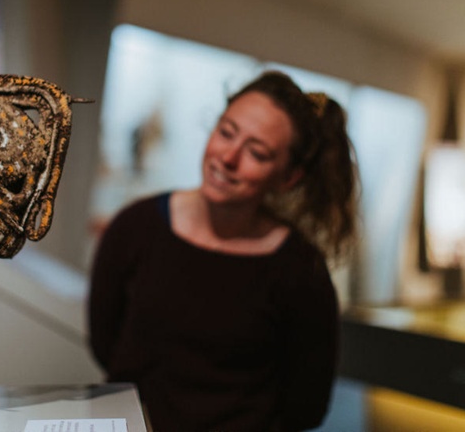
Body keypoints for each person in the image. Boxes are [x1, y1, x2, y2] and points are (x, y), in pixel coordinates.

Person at [88, 70, 358, 431]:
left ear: (288, 177)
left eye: (257, 152)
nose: (228, 157)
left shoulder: (299, 272)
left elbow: (305, 406)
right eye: (226, 132)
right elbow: (106, 342)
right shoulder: (136, 227)